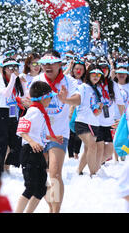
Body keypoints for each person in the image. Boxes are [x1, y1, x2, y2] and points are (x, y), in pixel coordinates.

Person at [33, 50, 80, 213]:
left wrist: (65, 100)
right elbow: (29, 102)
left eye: (52, 62)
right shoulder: (37, 80)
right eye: (44, 63)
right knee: (41, 176)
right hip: (39, 133)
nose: (47, 66)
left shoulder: (68, 81)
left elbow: (79, 98)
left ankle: (55, 211)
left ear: (60, 64)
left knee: (55, 173)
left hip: (58, 133)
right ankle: (52, 205)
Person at [15, 81, 63, 213]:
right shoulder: (34, 111)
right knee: (30, 187)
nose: (51, 99)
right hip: (29, 152)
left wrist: (53, 137)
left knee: (41, 188)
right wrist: (31, 142)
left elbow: (39, 134)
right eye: (50, 97)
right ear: (43, 98)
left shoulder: (41, 112)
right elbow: (21, 130)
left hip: (37, 152)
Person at [0, 57, 29, 172]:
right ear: (4, 69)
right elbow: (6, 94)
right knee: (0, 143)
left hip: (12, 111)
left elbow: (24, 95)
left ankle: (8, 164)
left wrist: (23, 83)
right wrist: (13, 79)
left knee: (16, 141)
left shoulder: (17, 79)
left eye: (15, 67)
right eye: (10, 67)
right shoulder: (0, 80)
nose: (13, 69)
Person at [73, 64, 104, 176]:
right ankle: (93, 174)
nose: (96, 77)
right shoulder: (83, 87)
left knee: (88, 149)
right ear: (88, 74)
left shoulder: (97, 90)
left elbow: (96, 110)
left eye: (98, 75)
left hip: (94, 122)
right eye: (93, 74)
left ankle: (79, 171)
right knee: (92, 146)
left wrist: (99, 109)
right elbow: (76, 100)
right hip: (82, 122)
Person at [67, 58, 87, 159]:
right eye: (76, 69)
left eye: (81, 69)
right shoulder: (69, 79)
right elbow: (62, 76)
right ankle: (70, 154)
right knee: (71, 131)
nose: (78, 71)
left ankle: (76, 152)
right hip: (71, 107)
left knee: (79, 131)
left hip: (82, 108)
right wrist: (69, 67)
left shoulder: (86, 81)